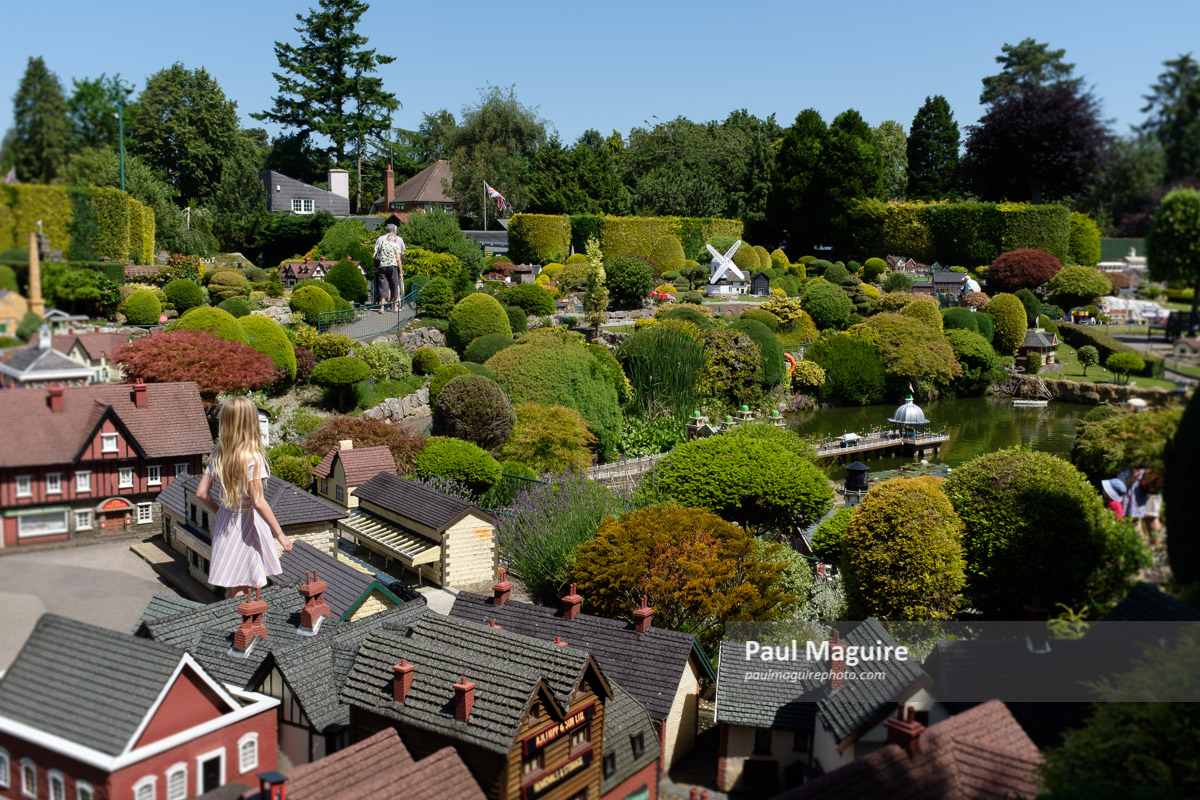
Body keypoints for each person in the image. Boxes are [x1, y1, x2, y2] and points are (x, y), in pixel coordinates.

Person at [196, 396, 292, 599]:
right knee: (245, 584)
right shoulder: (253, 457)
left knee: (233, 582)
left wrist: (220, 511)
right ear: (250, 422)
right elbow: (258, 501)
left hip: (225, 522)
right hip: (248, 523)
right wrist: (280, 534)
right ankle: (242, 625)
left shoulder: (218, 454)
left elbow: (201, 494)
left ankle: (235, 624)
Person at [373, 223, 405, 312]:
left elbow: (374, 255)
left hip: (382, 266)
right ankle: (395, 308)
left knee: (383, 286)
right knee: (394, 285)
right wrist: (401, 272)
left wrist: (376, 266)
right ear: (394, 238)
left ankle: (382, 308)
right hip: (393, 267)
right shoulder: (396, 245)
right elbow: (398, 259)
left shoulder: (381, 242)